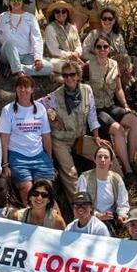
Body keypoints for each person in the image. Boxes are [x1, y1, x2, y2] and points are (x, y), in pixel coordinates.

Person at [41, 60, 108, 202]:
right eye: (65, 76)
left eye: (72, 74)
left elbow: (92, 115)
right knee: (71, 174)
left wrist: (96, 136)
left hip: (79, 138)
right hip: (60, 140)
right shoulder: (54, 96)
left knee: (106, 152)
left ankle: (116, 193)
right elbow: (37, 105)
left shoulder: (86, 90)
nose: (69, 78)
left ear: (78, 75)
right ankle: (80, 206)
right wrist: (50, 118)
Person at [88, 35, 137, 179]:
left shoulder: (113, 64)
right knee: (118, 130)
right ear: (94, 50)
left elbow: (118, 89)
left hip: (111, 105)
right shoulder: (88, 66)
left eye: (105, 46)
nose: (102, 50)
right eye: (99, 47)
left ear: (109, 49)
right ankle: (128, 169)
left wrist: (125, 105)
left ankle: (131, 159)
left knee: (135, 121)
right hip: (97, 109)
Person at [0, 74, 56, 203]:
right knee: (27, 190)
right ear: (16, 89)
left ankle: (45, 220)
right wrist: (5, 164)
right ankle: (29, 219)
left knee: (45, 192)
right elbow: (4, 139)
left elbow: (46, 136)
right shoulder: (8, 110)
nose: (23, 90)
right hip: (18, 156)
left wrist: (49, 160)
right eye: (20, 87)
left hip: (39, 155)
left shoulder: (40, 108)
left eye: (26, 87)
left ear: (32, 89)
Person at [0, 0, 52, 76]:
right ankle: (19, 73)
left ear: (23, 0)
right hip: (7, 55)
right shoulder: (2, 17)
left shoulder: (30, 18)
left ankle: (17, 68)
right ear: (9, 1)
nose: (16, 1)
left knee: (49, 67)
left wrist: (38, 58)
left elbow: (37, 39)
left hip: (26, 56)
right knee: (10, 42)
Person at [78, 145, 130, 231]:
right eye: (99, 157)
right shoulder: (84, 177)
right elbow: (81, 204)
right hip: (89, 217)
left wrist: (121, 215)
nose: (102, 160)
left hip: (110, 219)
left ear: (111, 162)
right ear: (94, 160)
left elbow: (122, 203)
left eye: (106, 157)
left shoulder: (116, 179)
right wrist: (98, 215)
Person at [81, 7, 132, 84]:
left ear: (114, 21)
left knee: (133, 61)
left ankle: (130, 87)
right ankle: (125, 86)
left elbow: (124, 52)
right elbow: (84, 52)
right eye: (104, 18)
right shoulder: (93, 34)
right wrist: (99, 58)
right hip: (99, 63)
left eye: (110, 18)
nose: (107, 21)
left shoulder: (118, 36)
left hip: (116, 63)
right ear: (101, 20)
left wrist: (129, 64)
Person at [43, 0, 85, 74]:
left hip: (74, 59)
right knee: (68, 67)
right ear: (54, 14)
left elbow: (79, 45)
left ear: (67, 13)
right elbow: (54, 51)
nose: (61, 14)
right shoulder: (50, 28)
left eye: (63, 11)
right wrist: (71, 55)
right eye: (57, 12)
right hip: (57, 60)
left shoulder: (72, 28)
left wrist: (77, 53)